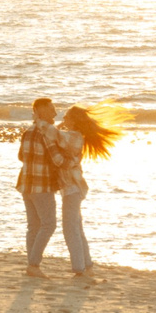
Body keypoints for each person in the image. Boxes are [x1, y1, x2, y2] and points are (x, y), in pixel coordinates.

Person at [54, 101, 129, 278]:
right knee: (76, 227)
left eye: (66, 116)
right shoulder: (74, 134)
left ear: (73, 120)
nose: (63, 118)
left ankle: (79, 267)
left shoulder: (73, 136)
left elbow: (53, 135)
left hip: (73, 187)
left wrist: (43, 123)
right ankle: (86, 264)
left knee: (70, 228)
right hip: (73, 188)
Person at [15, 97, 68, 276]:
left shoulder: (28, 131)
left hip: (26, 184)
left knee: (34, 226)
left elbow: (21, 156)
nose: (55, 112)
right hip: (41, 185)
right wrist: (73, 160)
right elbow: (57, 159)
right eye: (52, 108)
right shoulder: (47, 131)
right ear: (41, 110)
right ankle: (34, 264)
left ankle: (32, 264)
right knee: (49, 224)